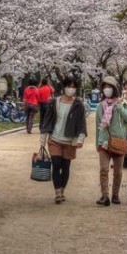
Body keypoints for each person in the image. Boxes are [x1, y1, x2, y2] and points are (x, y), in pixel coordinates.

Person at [39, 76, 87, 204]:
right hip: (55, 139)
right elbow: (47, 120)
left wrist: (81, 139)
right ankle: (58, 193)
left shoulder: (78, 104)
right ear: (64, 87)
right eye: (69, 86)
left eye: (73, 87)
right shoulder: (55, 102)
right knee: (56, 164)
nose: (71, 89)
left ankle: (63, 190)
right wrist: (43, 138)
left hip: (70, 141)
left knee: (66, 167)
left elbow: (82, 123)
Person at [95, 76, 127, 206]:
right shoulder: (100, 106)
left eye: (109, 87)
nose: (107, 89)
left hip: (118, 141)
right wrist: (98, 143)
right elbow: (98, 126)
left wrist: (119, 108)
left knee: (118, 171)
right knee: (103, 169)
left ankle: (115, 195)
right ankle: (104, 196)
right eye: (105, 87)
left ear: (114, 89)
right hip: (104, 142)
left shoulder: (122, 104)